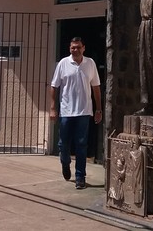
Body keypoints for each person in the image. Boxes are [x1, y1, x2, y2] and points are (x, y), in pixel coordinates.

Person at [49, 36, 102, 190]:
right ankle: (65, 163)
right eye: (73, 47)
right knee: (63, 144)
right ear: (69, 49)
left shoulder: (90, 63)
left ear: (83, 48)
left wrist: (98, 109)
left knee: (81, 145)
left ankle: (80, 177)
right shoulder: (63, 64)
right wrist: (53, 108)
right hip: (66, 111)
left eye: (78, 47)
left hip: (84, 112)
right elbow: (54, 86)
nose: (75, 50)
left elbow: (96, 87)